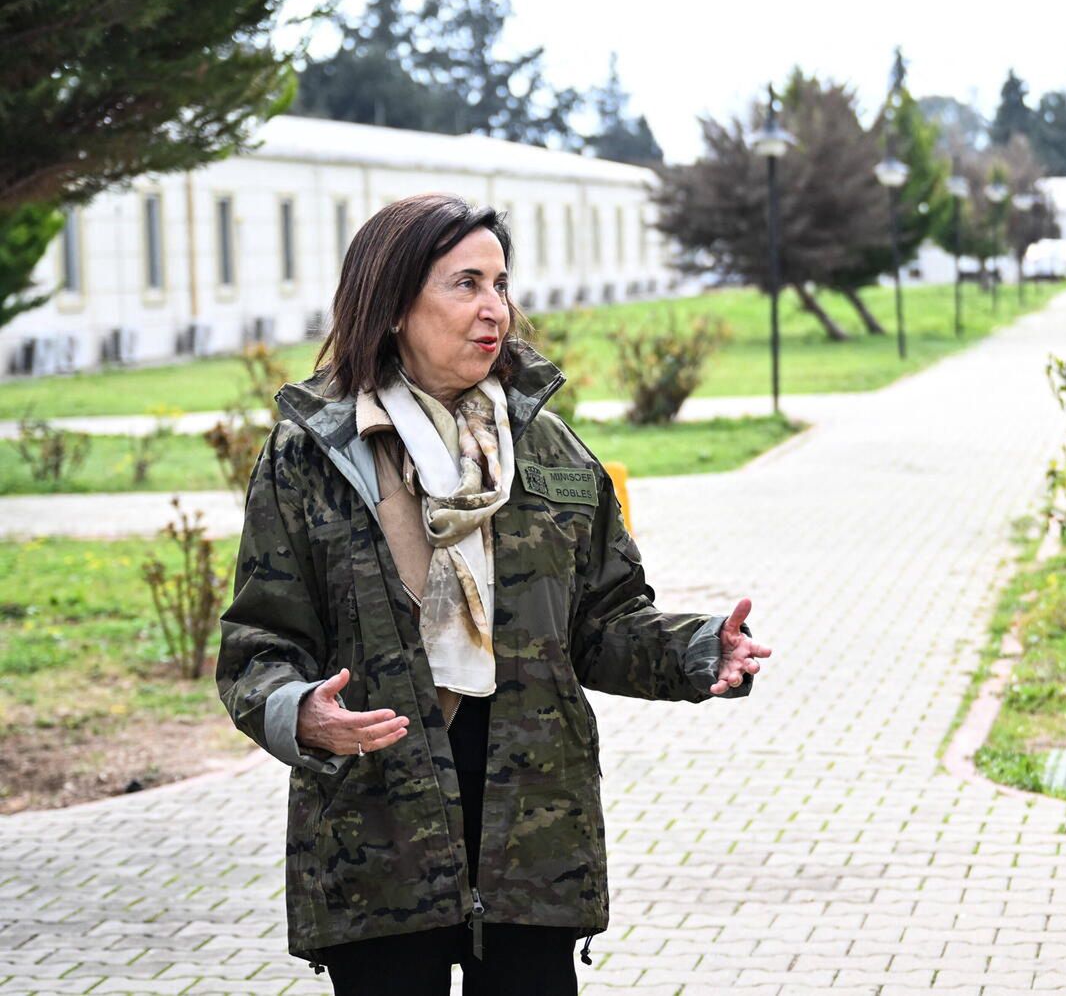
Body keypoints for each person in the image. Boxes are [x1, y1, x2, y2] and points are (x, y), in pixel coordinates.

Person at [216, 192, 770, 995]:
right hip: (379, 822)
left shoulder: (547, 447)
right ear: (393, 305)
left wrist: (697, 648)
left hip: (533, 830)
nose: (494, 310)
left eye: (501, 285)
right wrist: (299, 712)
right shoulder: (312, 456)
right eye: (465, 284)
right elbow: (259, 644)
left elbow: (601, 623)